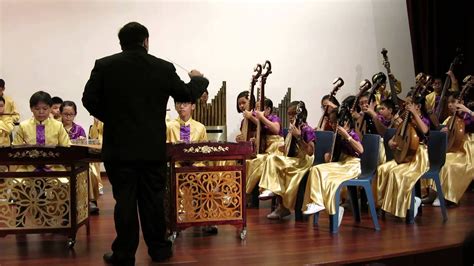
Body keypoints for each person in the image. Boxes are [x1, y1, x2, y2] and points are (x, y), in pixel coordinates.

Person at [82, 22, 209, 265]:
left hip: (119, 148)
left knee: (125, 201)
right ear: (146, 41)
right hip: (151, 148)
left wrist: (114, 119)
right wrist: (198, 79)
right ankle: (159, 250)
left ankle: (124, 254)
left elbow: (88, 99)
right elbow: (186, 94)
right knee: (152, 200)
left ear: (121, 43)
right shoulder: (162, 67)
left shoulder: (105, 65)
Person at [302, 97, 364, 227]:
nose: (334, 125)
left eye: (336, 123)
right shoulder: (337, 135)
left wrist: (347, 136)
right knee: (315, 169)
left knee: (330, 178)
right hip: (341, 163)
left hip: (352, 165)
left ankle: (332, 207)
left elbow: (360, 150)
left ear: (345, 122)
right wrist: (329, 155)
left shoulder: (351, 134)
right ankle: (317, 202)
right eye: (332, 123)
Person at [257, 101, 315, 219]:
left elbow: (310, 151)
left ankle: (272, 190)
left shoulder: (307, 129)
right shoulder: (291, 129)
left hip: (303, 161)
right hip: (294, 160)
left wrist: (298, 136)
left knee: (273, 159)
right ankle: (282, 207)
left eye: (293, 114)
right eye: (289, 114)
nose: (291, 117)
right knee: (272, 160)